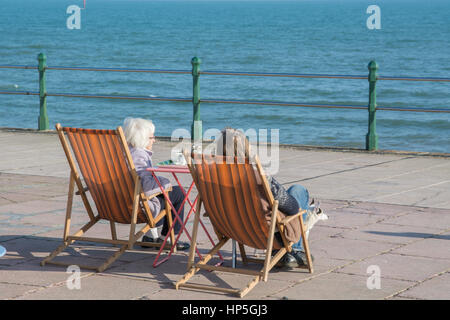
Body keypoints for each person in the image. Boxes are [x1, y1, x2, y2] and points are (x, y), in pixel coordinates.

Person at [216, 128, 322, 268]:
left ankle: (289, 252)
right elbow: (293, 207)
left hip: (234, 229)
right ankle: (293, 250)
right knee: (298, 191)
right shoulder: (257, 176)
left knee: (289, 196)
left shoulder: (210, 177)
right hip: (267, 233)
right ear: (245, 149)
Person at [122, 117, 190, 251]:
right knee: (177, 193)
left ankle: (150, 236)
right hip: (137, 205)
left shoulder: (124, 152)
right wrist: (166, 183)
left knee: (162, 195)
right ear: (143, 138)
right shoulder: (139, 155)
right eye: (152, 137)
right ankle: (168, 239)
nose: (154, 140)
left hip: (119, 203)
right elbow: (147, 188)